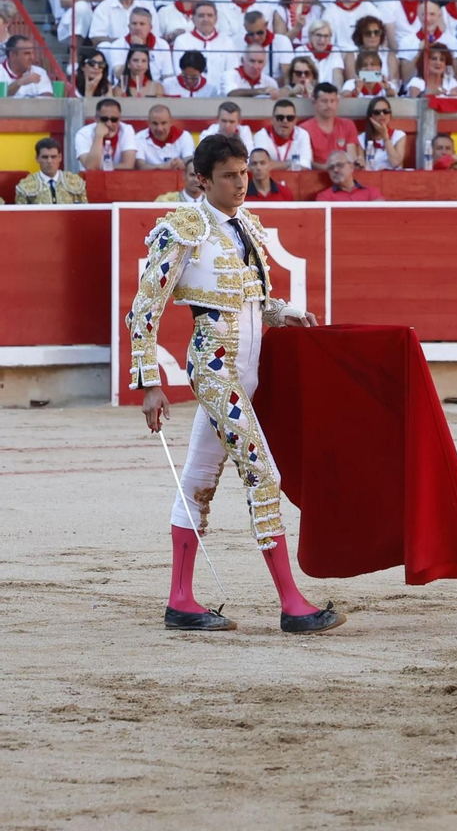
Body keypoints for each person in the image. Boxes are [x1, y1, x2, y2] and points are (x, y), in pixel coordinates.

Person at [127, 134, 344, 634]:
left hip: (248, 368)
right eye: (229, 175)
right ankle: (292, 604)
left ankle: (180, 600)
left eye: (244, 173)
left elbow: (248, 300)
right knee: (263, 475)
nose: (241, 182)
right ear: (201, 180)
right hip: (214, 365)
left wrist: (283, 313)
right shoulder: (183, 228)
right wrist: (148, 384)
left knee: (198, 480)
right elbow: (144, 310)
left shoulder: (246, 225)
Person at [300, 82, 360, 168]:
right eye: (324, 101)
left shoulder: (348, 125)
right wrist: (331, 169)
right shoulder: (304, 129)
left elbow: (351, 158)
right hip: (315, 177)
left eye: (332, 101)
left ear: (337, 102)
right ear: (314, 102)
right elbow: (306, 162)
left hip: (343, 177)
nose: (329, 105)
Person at [13, 137, 87, 204]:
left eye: (53, 157)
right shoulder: (25, 186)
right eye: (45, 157)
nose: (49, 161)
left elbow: (84, 212)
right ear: (37, 158)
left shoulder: (75, 181)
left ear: (60, 157)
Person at [313, 151, 384, 201]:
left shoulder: (371, 192)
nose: (335, 170)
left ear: (351, 167)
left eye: (340, 165)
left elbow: (381, 215)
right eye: (331, 168)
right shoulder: (324, 197)